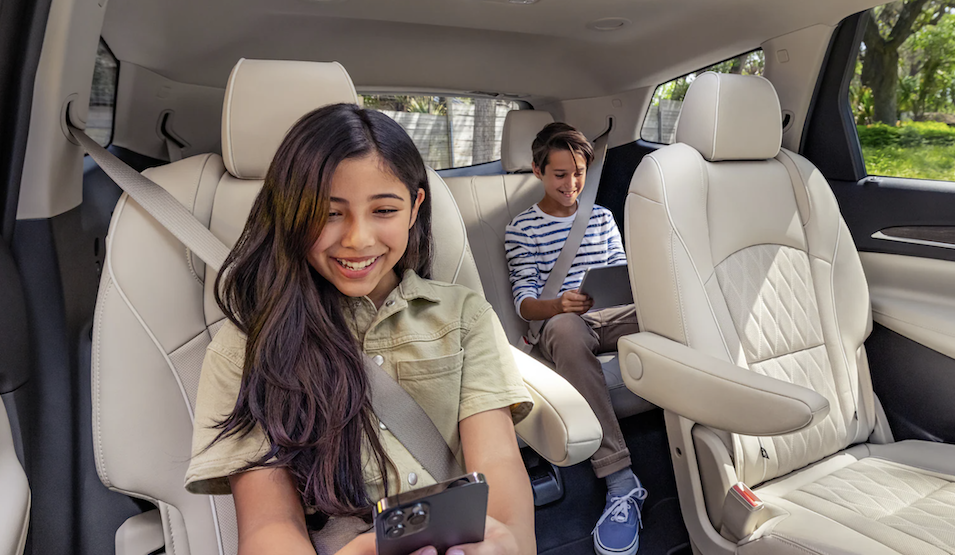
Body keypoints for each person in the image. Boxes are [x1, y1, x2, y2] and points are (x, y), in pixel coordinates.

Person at [184, 103, 536, 555]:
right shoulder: (248, 350)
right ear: (290, 213)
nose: (358, 239)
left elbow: (500, 466)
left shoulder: (463, 316)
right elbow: (268, 524)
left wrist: (506, 543)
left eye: (384, 210)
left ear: (414, 209)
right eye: (330, 214)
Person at [505, 122, 645, 555]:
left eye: (579, 173)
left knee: (674, 313)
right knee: (566, 330)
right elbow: (524, 304)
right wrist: (560, 305)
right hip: (561, 323)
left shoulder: (601, 217)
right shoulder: (521, 229)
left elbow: (620, 272)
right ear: (538, 171)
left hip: (611, 313)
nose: (571, 184)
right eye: (560, 174)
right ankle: (619, 478)